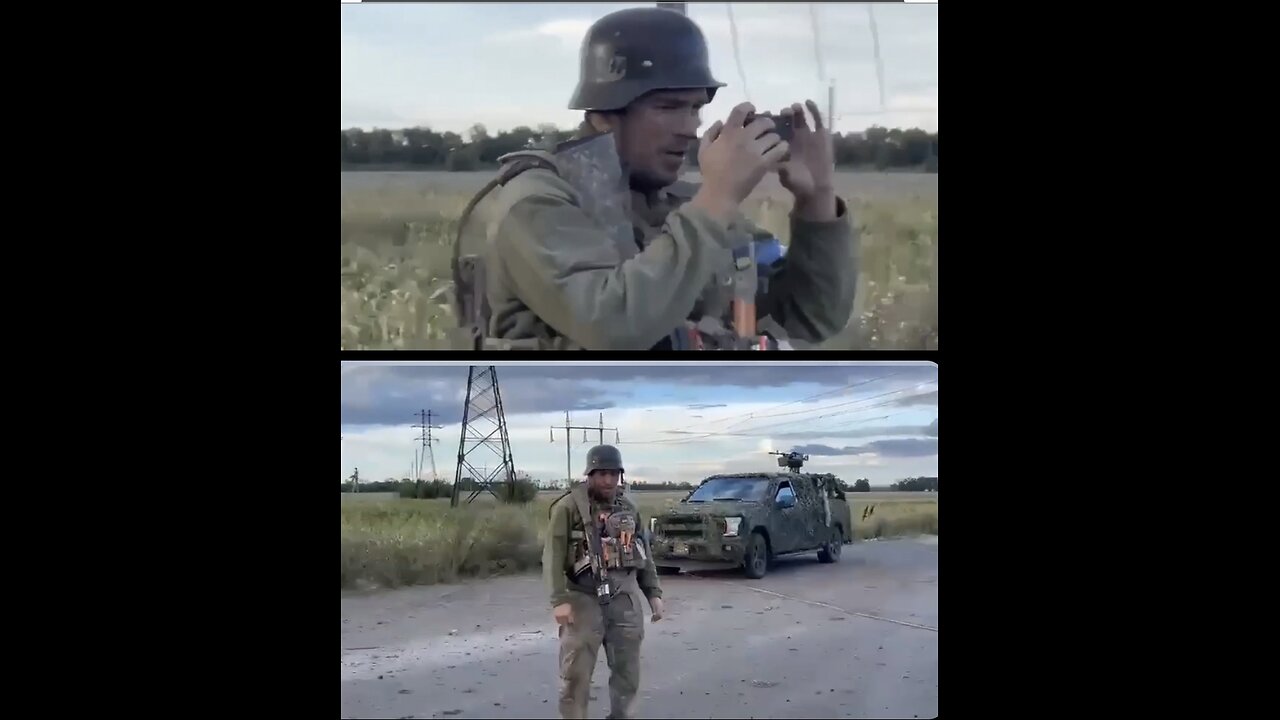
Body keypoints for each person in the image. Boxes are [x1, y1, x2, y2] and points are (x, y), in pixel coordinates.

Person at [451, 6, 857, 351]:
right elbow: (613, 327)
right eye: (668, 107)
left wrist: (816, 201)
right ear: (605, 111)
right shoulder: (539, 200)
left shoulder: (682, 204)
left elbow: (809, 318)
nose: (689, 128)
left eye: (696, 108)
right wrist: (717, 198)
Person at [543, 444, 664, 719]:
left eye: (613, 474)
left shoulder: (629, 508)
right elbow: (552, 555)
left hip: (624, 596)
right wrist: (558, 600)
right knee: (576, 674)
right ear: (590, 475)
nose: (608, 480)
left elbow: (643, 552)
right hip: (583, 597)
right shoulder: (568, 508)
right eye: (601, 474)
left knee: (627, 673)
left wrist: (653, 594)